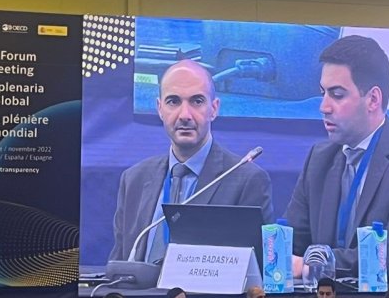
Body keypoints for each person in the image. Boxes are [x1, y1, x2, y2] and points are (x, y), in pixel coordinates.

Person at [285, 35, 389, 278]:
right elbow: (291, 245)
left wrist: (314, 265)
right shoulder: (319, 158)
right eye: (323, 93)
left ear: (373, 99)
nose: (323, 107)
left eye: (337, 95)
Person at [109, 59, 274, 262]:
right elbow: (119, 266)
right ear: (160, 108)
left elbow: (257, 266)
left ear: (214, 108)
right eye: (173, 101)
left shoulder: (246, 180)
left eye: (197, 101)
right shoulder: (134, 179)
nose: (185, 115)